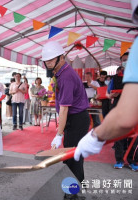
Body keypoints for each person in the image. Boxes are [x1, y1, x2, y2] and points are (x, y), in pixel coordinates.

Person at [74, 0, 138, 172]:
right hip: (114, 106)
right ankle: (120, 159)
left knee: (132, 139)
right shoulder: (114, 80)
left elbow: (125, 117)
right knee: (121, 139)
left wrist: (96, 135)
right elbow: (108, 94)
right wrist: (111, 95)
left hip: (125, 113)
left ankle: (132, 160)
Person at [42, 41, 90, 183]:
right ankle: (73, 186)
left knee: (73, 157)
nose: (49, 63)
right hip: (72, 118)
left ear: (61, 58)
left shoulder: (66, 76)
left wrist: (59, 134)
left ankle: (74, 191)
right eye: (46, 61)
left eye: (51, 60)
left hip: (77, 120)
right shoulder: (60, 73)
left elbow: (64, 108)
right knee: (70, 155)